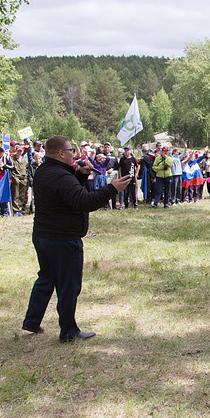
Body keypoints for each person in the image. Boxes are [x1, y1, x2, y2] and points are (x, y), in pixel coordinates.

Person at [22, 135, 131, 342]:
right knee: (68, 286)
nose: (75, 154)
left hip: (43, 236)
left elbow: (67, 195)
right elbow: (84, 202)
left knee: (46, 278)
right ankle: (69, 330)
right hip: (62, 239)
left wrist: (80, 175)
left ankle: (32, 321)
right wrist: (112, 189)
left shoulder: (45, 171)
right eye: (71, 150)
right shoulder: (61, 176)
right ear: (61, 153)